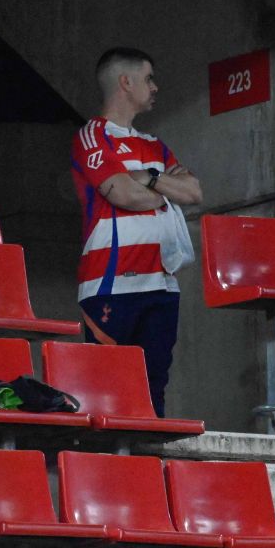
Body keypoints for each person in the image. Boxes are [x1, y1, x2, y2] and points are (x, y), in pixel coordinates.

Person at [72, 47, 203, 416]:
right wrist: (162, 189)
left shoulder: (154, 145)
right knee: (108, 390)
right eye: (149, 78)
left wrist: (149, 177)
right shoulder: (92, 135)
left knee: (154, 390)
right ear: (125, 82)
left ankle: (147, 471)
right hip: (111, 283)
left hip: (161, 284)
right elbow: (126, 196)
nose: (156, 87)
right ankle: (109, 470)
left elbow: (194, 192)